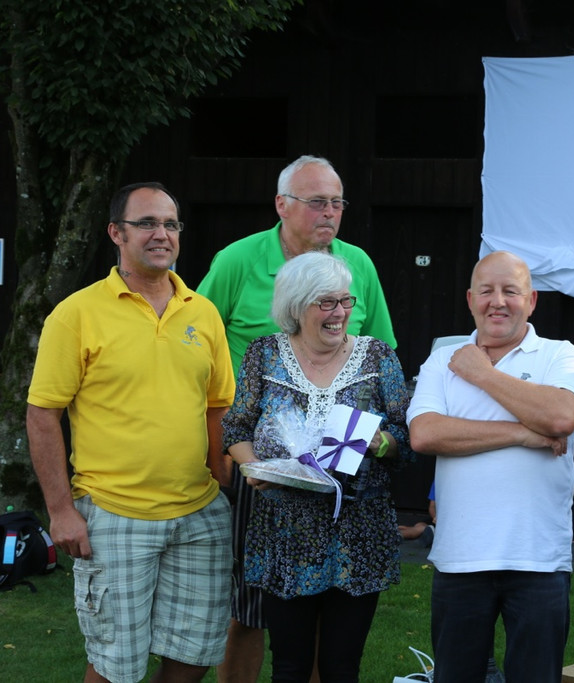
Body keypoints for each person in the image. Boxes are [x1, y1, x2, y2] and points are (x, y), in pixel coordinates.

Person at [197, 154, 397, 683]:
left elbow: (383, 355)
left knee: (333, 615)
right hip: (260, 469)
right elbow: (195, 342)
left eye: (337, 202)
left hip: (346, 475)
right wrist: (231, 455)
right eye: (317, 202)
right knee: (249, 607)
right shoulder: (238, 261)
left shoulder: (358, 264)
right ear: (282, 205)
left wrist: (376, 439)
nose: (329, 213)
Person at [26, 182, 236, 683]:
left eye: (170, 224)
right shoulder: (76, 314)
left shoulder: (202, 311)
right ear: (116, 233)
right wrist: (61, 510)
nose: (161, 234)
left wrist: (222, 480)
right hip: (114, 513)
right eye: (146, 223)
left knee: (195, 656)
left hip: (198, 514)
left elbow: (218, 407)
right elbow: (42, 414)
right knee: (114, 665)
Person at [222, 251, 412, 683]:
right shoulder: (264, 354)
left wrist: (381, 443)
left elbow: (408, 437)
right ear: (296, 306)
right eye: (326, 302)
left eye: (345, 301)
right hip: (284, 532)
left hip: (359, 537)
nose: (340, 312)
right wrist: (255, 469)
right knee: (289, 666)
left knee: (341, 668)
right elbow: (235, 428)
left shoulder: (377, 357)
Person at [407, 250, 574, 683]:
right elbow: (426, 434)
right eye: (487, 291)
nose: (498, 301)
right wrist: (523, 433)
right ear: (470, 299)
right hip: (460, 557)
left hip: (538, 559)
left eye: (511, 291)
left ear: (532, 301)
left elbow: (561, 416)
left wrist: (482, 373)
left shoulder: (559, 355)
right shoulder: (442, 361)